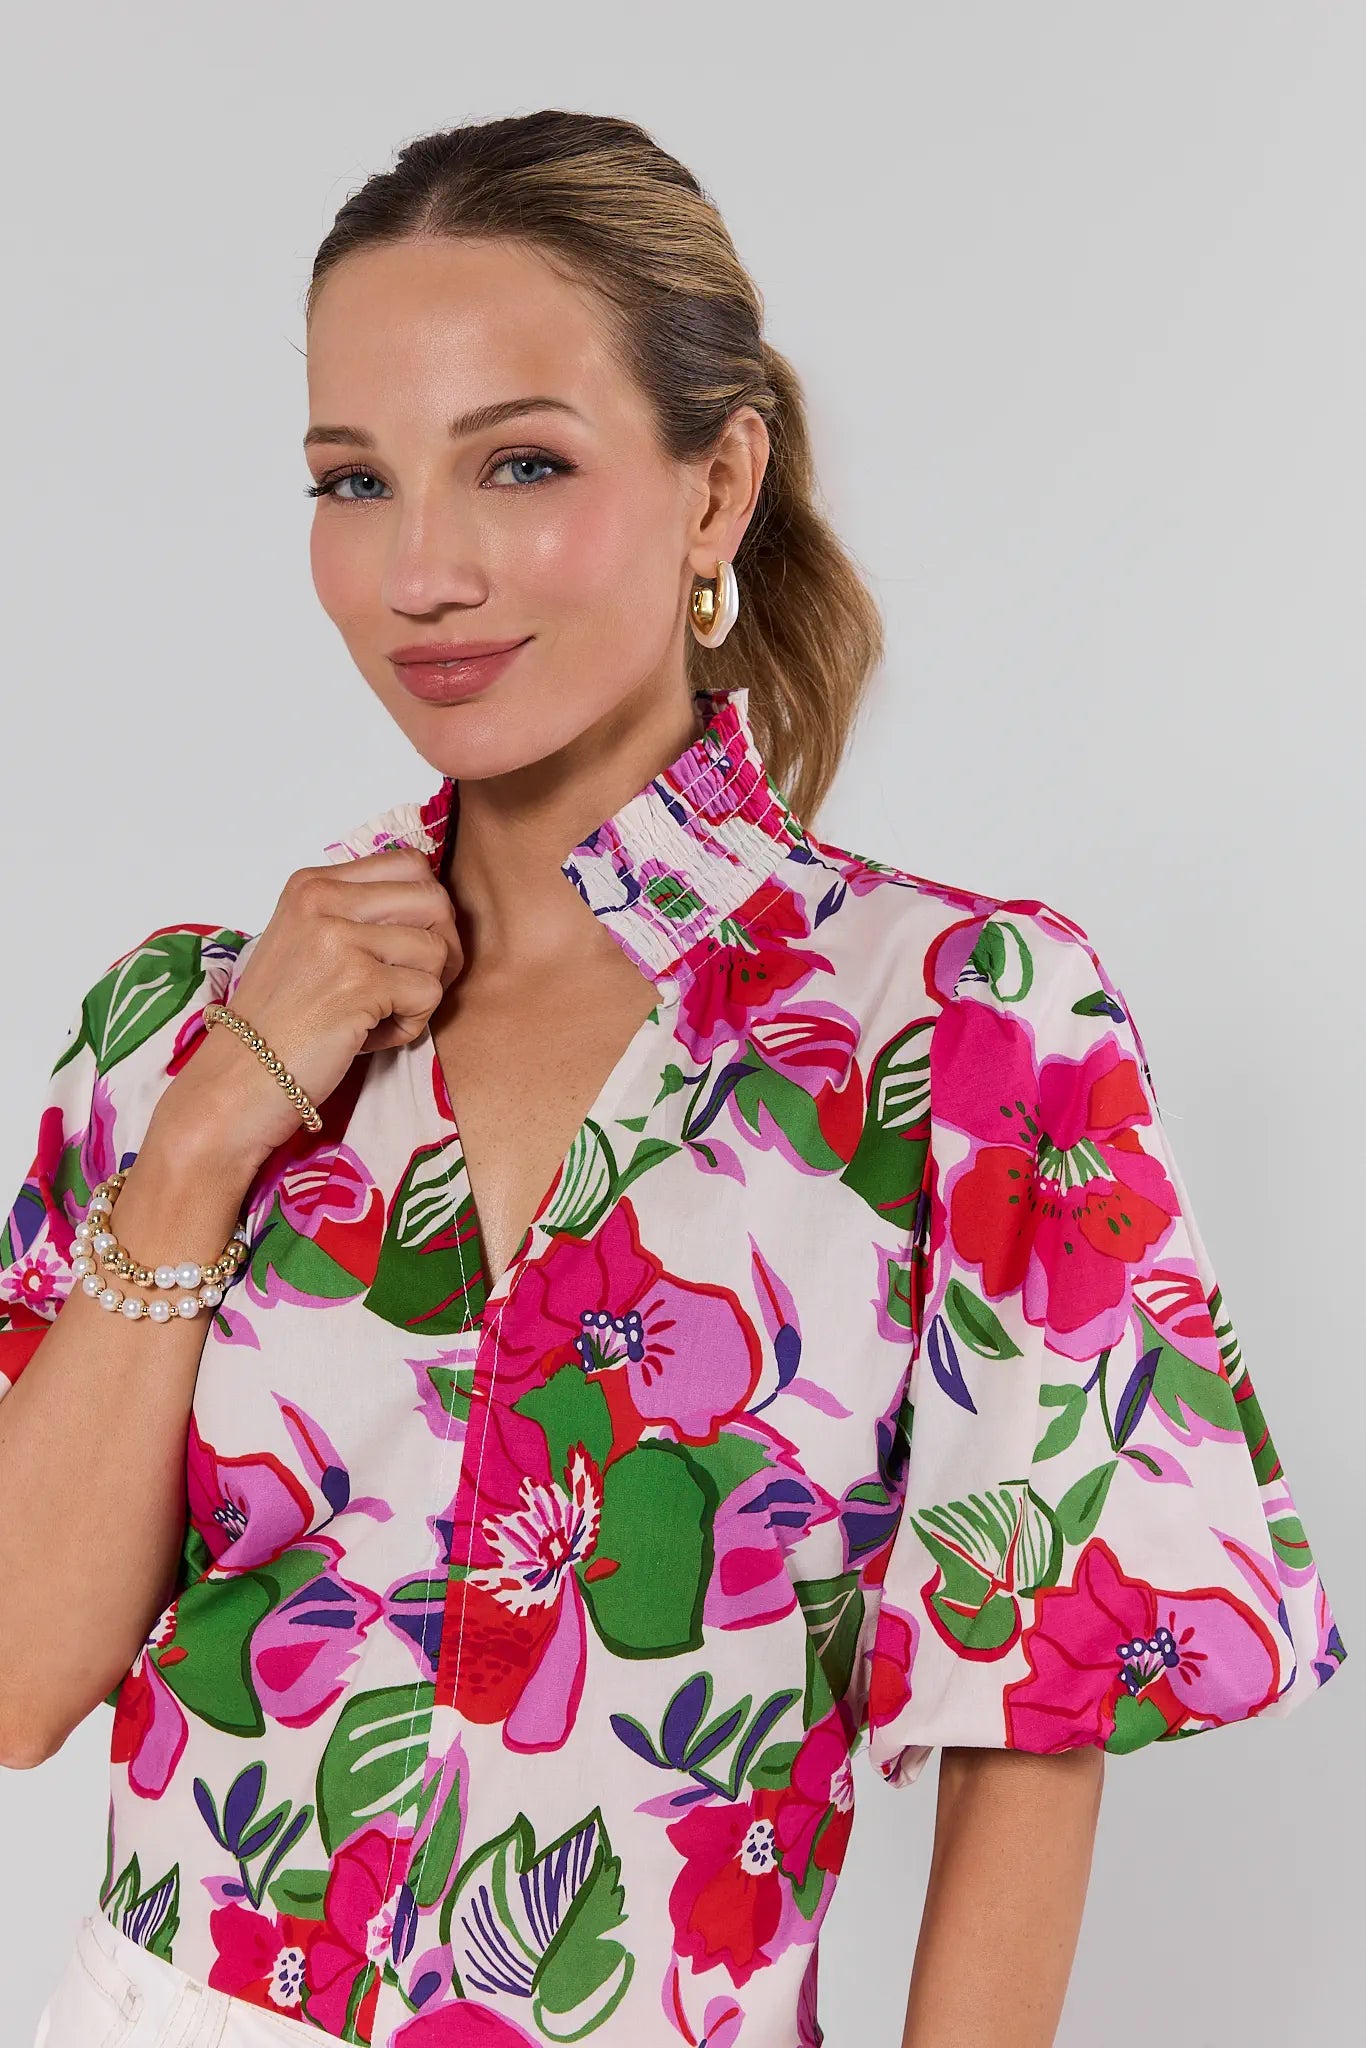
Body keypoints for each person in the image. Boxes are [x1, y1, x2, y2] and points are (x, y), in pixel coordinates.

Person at [0, 108, 1345, 2048]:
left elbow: (1033, 1723)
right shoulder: (177, 1025)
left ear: (718, 485)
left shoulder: (960, 1028)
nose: (425, 566)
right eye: (353, 480)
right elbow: (23, 1673)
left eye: (519, 463)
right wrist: (214, 1124)